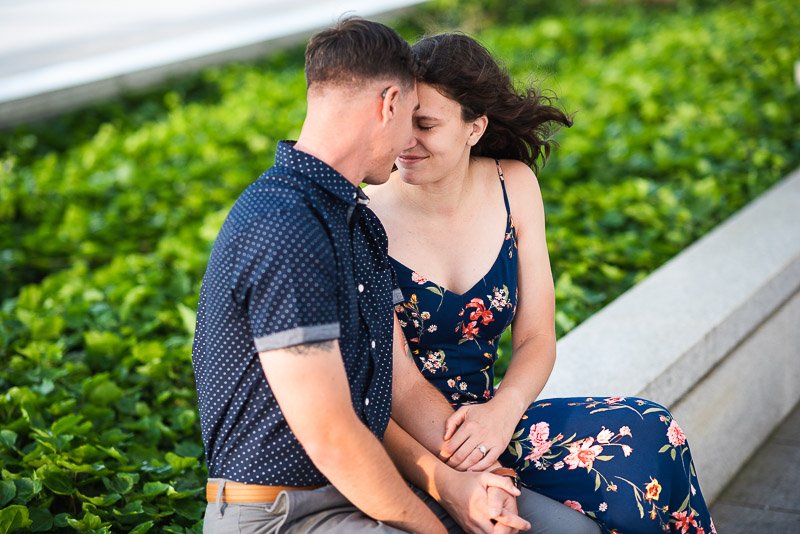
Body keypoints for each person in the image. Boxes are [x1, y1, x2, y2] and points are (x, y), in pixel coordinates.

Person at [192, 19, 535, 534]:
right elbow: (330, 434)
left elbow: (396, 389)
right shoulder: (286, 226)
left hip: (355, 496)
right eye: (411, 118)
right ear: (389, 104)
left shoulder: (352, 220)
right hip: (275, 514)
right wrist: (436, 527)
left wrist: (468, 481)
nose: (407, 146)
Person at [367, 33, 716, 534]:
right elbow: (399, 382)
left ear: (474, 128)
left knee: (653, 433)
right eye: (401, 122)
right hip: (416, 441)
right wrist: (478, 468)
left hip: (496, 418)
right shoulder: (364, 216)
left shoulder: (514, 185)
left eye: (426, 125)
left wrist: (503, 410)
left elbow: (536, 337)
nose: (406, 142)